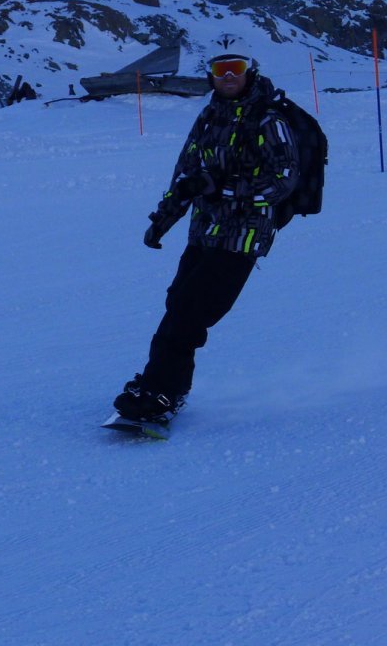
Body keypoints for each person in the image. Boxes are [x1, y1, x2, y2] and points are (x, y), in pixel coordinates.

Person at [113, 33, 301, 422]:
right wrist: (163, 220)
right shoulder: (209, 117)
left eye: (236, 68)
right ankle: (163, 386)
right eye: (220, 69)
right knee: (177, 306)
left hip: (242, 237)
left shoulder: (270, 120)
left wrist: (225, 189)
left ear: (250, 72)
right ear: (210, 75)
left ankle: (162, 392)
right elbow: (186, 175)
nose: (228, 75)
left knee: (189, 313)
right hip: (204, 233)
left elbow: (283, 180)